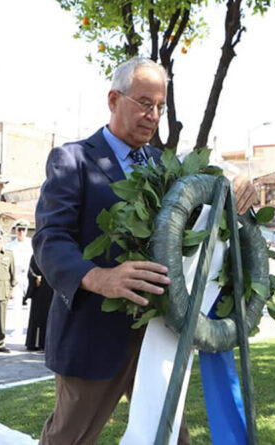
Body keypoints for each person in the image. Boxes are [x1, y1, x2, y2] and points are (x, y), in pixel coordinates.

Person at [32, 57, 256, 444]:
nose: (153, 116)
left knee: (170, 438)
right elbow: (50, 239)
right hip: (93, 336)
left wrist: (238, 182)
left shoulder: (165, 166)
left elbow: (207, 197)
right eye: (144, 103)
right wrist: (99, 277)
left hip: (158, 336)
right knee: (69, 438)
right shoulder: (73, 160)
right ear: (113, 99)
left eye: (160, 107)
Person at [24, 255, 53, 351]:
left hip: (51, 290)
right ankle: (34, 343)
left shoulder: (55, 254)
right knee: (36, 317)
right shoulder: (36, 255)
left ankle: (45, 343)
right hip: (38, 291)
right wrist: (36, 278)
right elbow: (31, 270)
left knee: (49, 316)